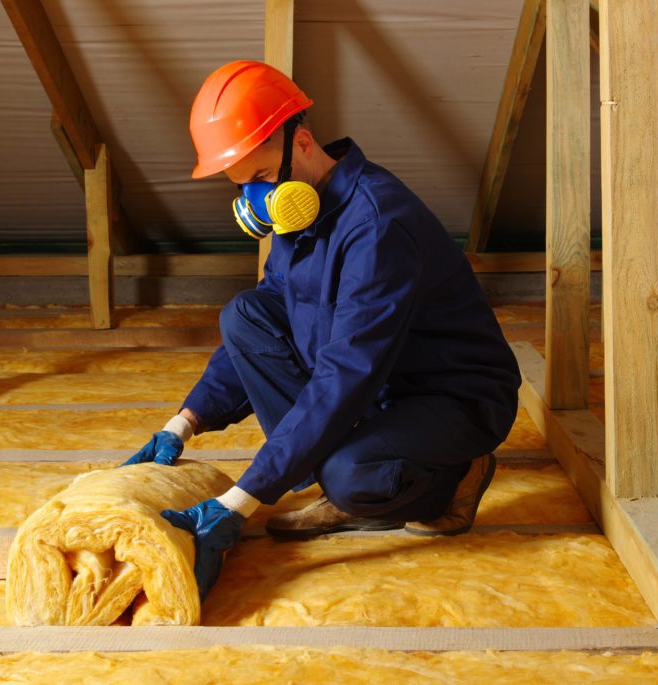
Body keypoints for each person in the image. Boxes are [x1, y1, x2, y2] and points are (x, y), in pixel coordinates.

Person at [123, 60, 522, 599]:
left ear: (303, 143)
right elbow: (269, 311)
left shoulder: (377, 225)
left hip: (448, 393)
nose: (257, 201)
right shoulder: (299, 209)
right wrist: (184, 422)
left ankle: (455, 475)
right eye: (243, 187)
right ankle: (343, 467)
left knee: (351, 475)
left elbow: (346, 372)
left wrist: (241, 500)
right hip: (376, 384)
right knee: (243, 315)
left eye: (262, 179)